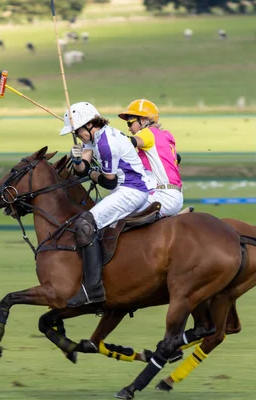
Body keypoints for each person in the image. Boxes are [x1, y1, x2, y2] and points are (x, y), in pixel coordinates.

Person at [60, 101, 153, 308]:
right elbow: (83, 168)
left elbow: (107, 180)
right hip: (123, 189)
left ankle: (92, 290)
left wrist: (91, 172)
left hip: (131, 190)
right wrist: (77, 161)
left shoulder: (106, 143)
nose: (78, 135)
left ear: (90, 125)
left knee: (85, 224)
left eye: (77, 131)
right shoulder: (94, 137)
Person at [118, 99, 184, 217]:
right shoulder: (165, 135)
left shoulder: (147, 132)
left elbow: (128, 142)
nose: (129, 128)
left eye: (130, 123)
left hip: (161, 196)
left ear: (142, 120)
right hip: (175, 196)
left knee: (112, 212)